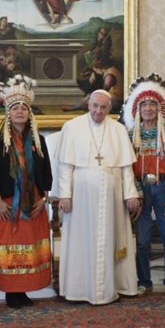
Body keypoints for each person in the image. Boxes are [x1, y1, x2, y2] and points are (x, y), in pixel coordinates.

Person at [0, 75, 53, 308]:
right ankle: (10, 291)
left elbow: (47, 173)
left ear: (30, 113)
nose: (20, 112)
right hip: (4, 203)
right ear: (8, 112)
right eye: (15, 108)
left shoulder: (38, 140)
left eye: (24, 108)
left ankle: (22, 290)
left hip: (32, 203)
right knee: (8, 247)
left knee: (27, 249)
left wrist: (45, 199)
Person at [57, 89, 140, 305]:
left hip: (112, 196)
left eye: (103, 107)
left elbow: (125, 168)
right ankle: (79, 289)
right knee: (81, 240)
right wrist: (64, 194)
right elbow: (65, 166)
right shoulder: (72, 127)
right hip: (81, 197)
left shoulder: (119, 129)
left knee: (113, 239)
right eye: (95, 106)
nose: (98, 111)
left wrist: (131, 194)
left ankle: (112, 288)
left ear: (109, 109)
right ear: (88, 104)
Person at [121, 74, 165, 296]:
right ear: (137, 109)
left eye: (152, 104)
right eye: (144, 104)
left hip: (162, 188)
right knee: (142, 240)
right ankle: (144, 282)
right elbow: (127, 168)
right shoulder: (129, 135)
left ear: (159, 108)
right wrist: (135, 193)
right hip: (140, 189)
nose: (148, 108)